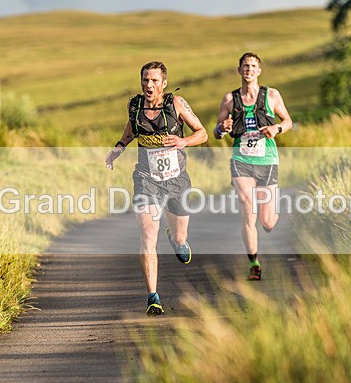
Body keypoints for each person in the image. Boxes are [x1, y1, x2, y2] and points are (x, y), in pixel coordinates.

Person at [105, 61, 207, 315]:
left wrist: (184, 141)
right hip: (146, 180)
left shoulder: (176, 104)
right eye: (145, 80)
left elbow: (202, 133)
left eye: (153, 81)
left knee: (181, 239)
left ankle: (176, 239)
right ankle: (153, 296)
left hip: (176, 181)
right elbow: (131, 129)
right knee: (148, 236)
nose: (148, 85)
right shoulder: (135, 105)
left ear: (163, 83)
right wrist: (118, 148)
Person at [214, 52, 292, 281]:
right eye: (245, 66)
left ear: (259, 71)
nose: (249, 69)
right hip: (241, 160)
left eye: (253, 66)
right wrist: (223, 128)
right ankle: (254, 264)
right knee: (248, 212)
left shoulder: (272, 96)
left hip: (267, 160)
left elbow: (288, 121)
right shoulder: (230, 99)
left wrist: (276, 129)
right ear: (239, 70)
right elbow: (217, 132)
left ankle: (269, 220)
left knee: (267, 221)